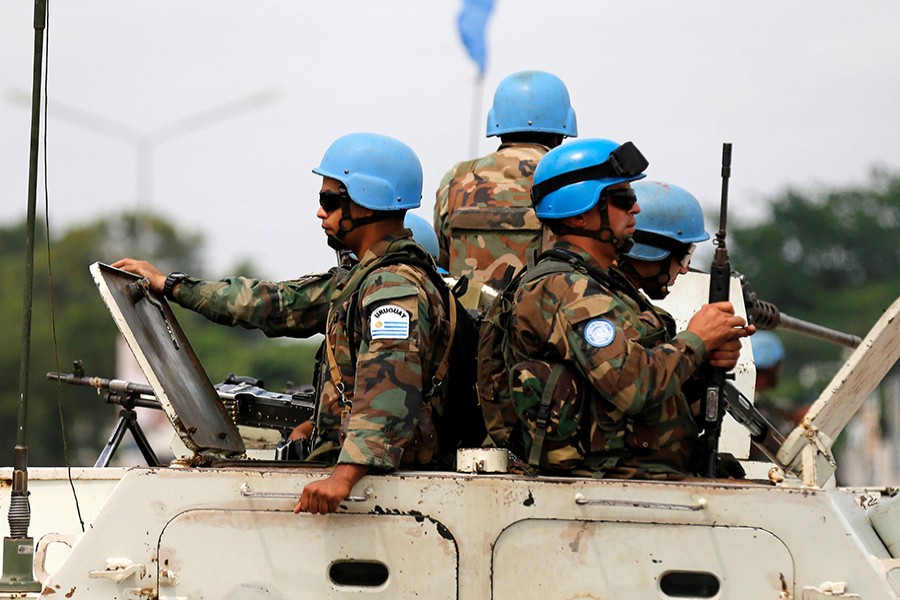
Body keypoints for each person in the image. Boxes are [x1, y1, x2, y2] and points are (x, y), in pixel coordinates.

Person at [113, 132, 451, 514]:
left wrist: (341, 478)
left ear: (367, 201)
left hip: (380, 494)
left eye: (329, 200)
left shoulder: (393, 288)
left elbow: (389, 388)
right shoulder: (362, 280)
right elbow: (273, 303)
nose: (320, 212)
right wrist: (173, 286)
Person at [504, 138, 753, 479]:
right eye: (623, 199)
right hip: (609, 488)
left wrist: (706, 357)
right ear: (579, 215)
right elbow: (631, 387)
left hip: (643, 482)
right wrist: (696, 340)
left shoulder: (601, 284)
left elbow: (655, 386)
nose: (636, 209)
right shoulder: (565, 289)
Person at [433, 70, 577, 307]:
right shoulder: (566, 181)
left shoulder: (457, 179)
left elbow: (442, 258)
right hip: (538, 329)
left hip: (469, 332)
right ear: (562, 132)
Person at [617, 181, 710, 300]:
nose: (684, 270)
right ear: (652, 249)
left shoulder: (612, 290)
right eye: (685, 257)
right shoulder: (602, 297)